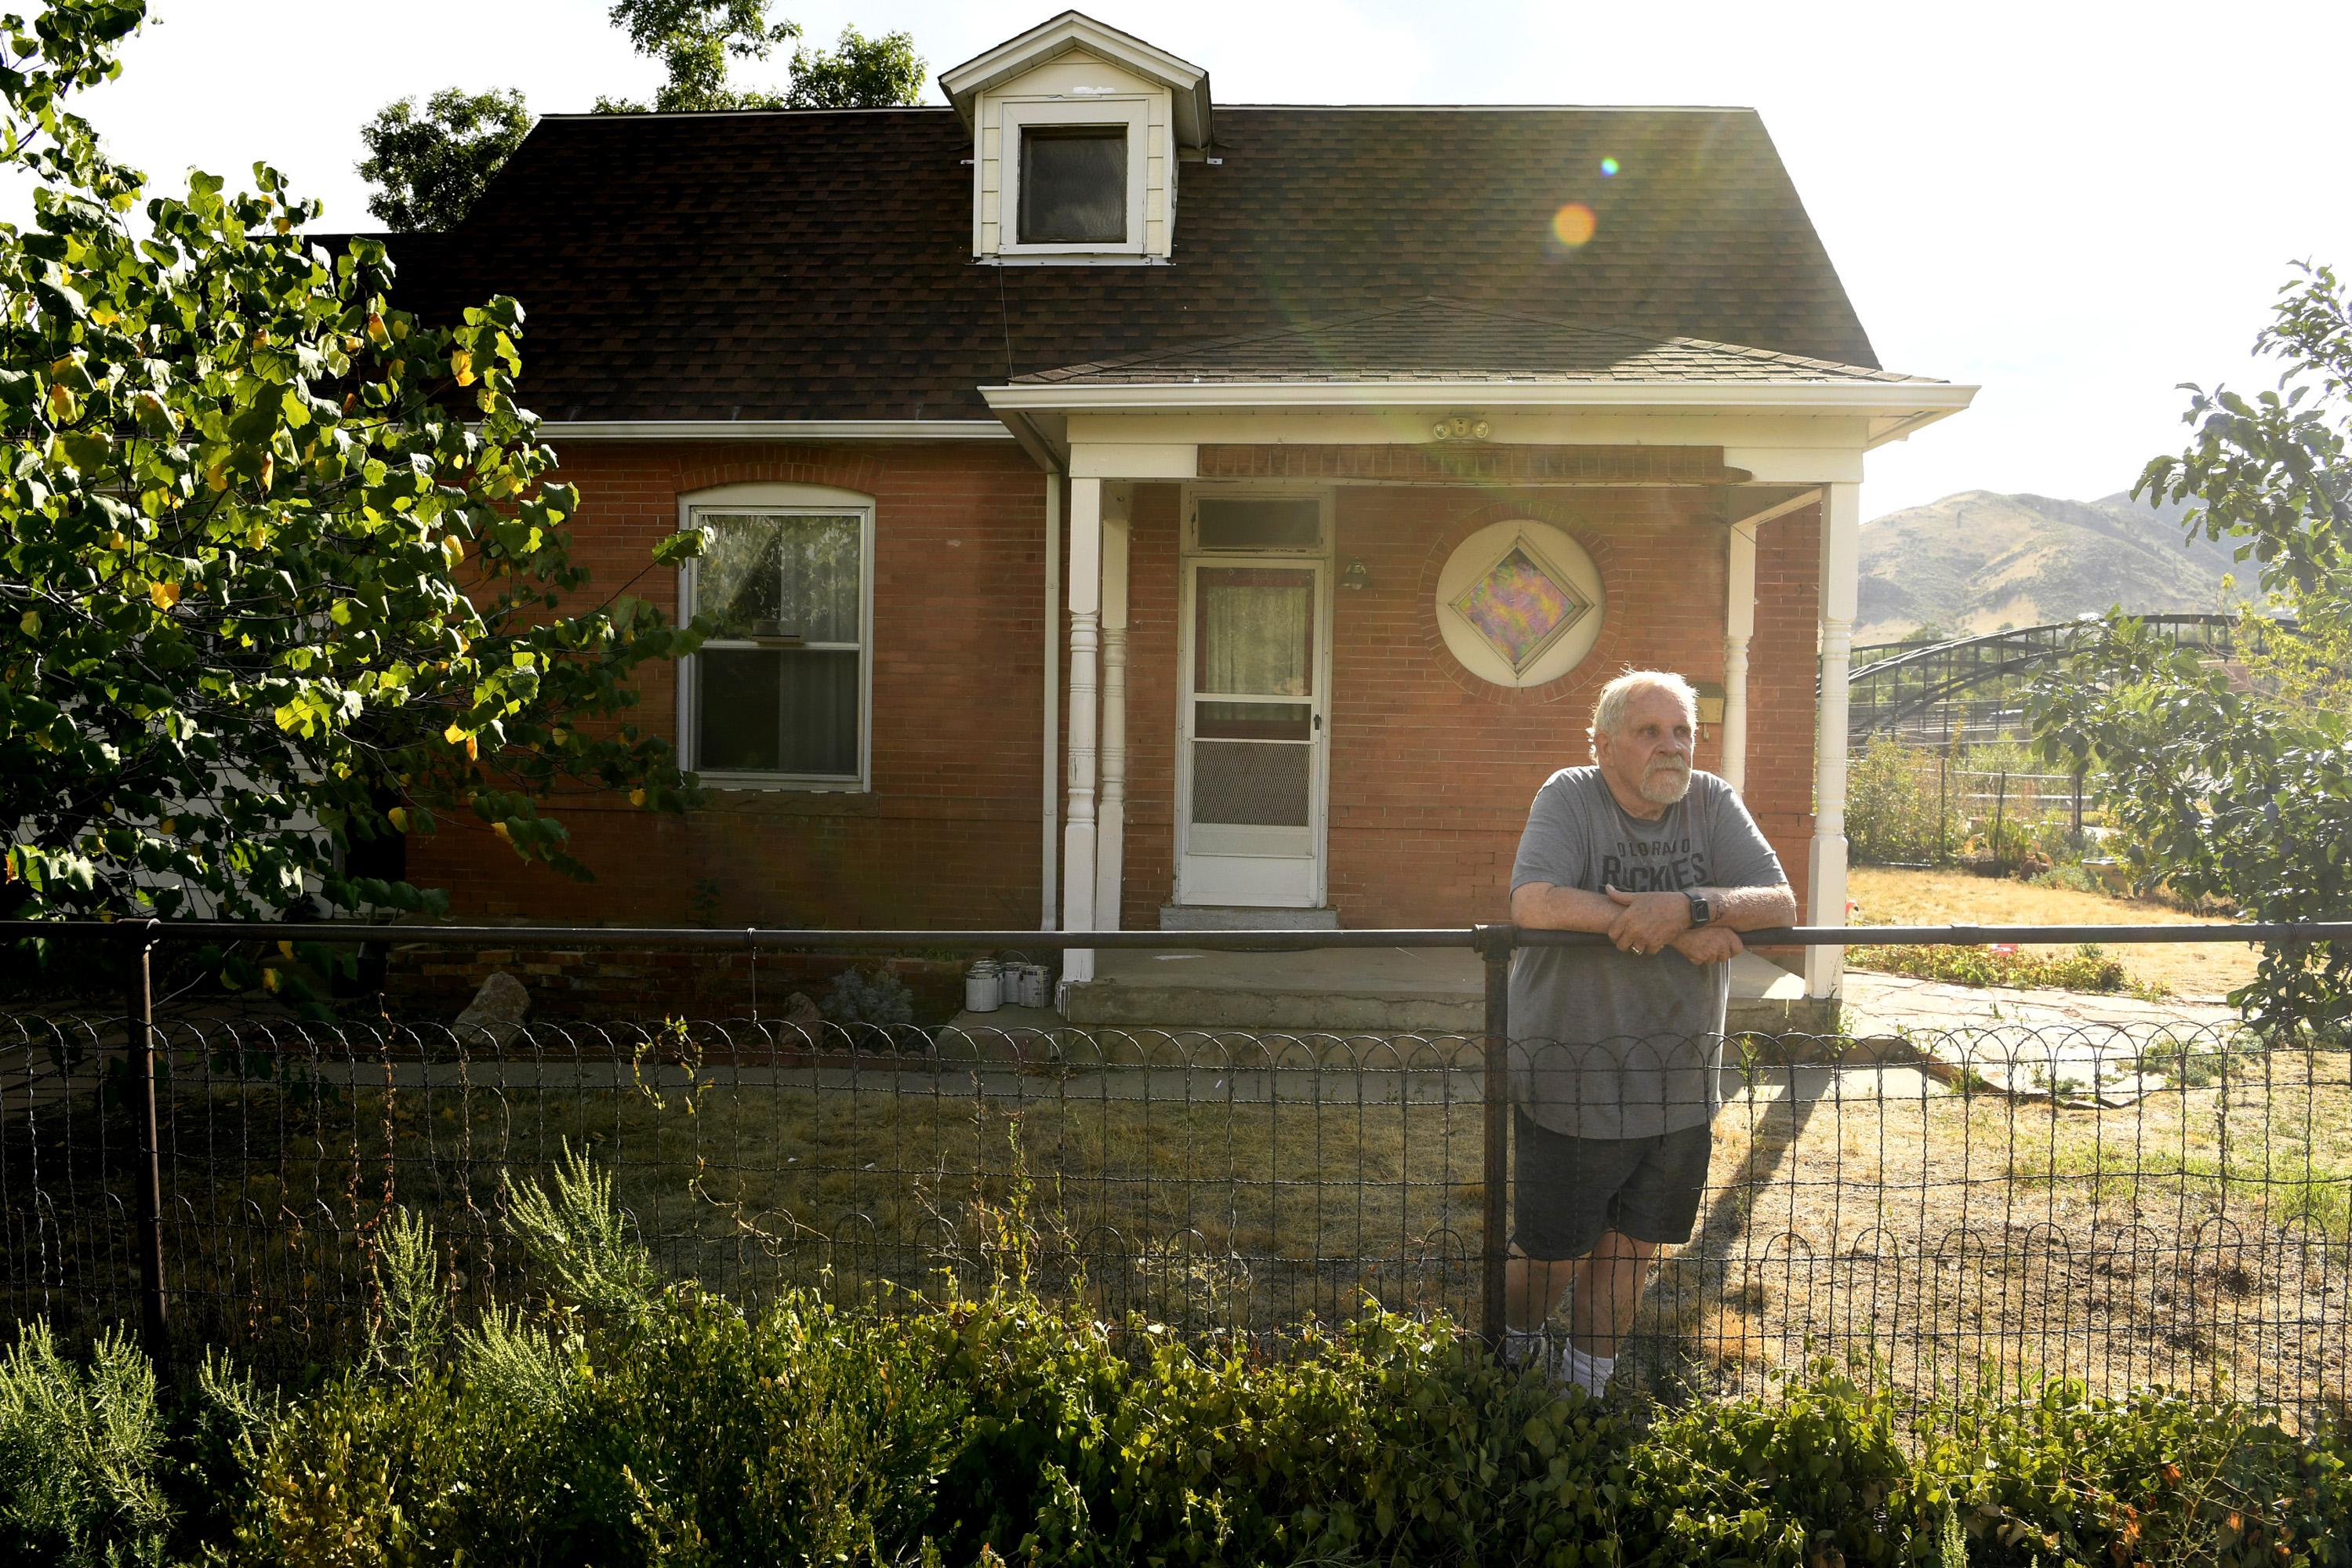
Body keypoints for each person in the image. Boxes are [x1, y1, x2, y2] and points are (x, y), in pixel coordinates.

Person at [1503, 669, 1798, 1396]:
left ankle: (1585, 1389)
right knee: (1554, 1253)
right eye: (1649, 732)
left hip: (1680, 1081)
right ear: (1602, 744)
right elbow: (1534, 901)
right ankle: (1510, 1348)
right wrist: (1665, 928)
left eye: (1683, 733)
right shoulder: (1569, 794)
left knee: (1634, 1248)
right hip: (1573, 1072)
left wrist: (1693, 906)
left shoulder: (1712, 801)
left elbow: (1782, 901)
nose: (1672, 748)